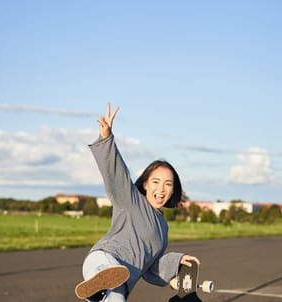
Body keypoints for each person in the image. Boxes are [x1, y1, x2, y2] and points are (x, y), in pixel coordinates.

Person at [75, 103, 199, 302]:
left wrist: (176, 264)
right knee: (108, 271)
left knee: (115, 294)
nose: (161, 189)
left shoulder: (162, 228)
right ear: (145, 184)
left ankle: (98, 290)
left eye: (168, 184)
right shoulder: (130, 201)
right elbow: (116, 175)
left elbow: (150, 268)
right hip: (104, 258)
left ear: (174, 189)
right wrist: (107, 138)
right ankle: (99, 280)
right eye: (156, 182)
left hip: (122, 285)